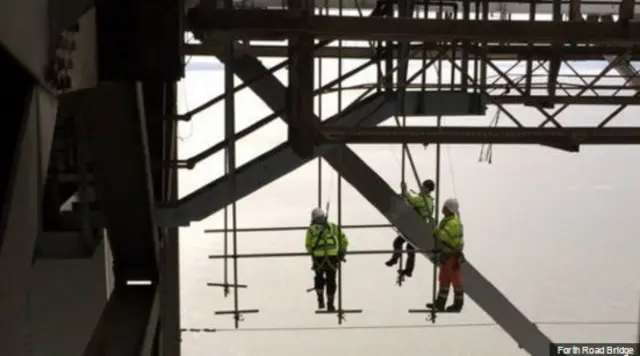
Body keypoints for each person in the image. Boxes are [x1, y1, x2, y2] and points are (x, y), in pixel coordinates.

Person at [385, 179, 436, 278]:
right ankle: (407, 269)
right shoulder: (426, 200)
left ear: (428, 189)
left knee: (399, 243)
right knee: (409, 248)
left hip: (415, 226)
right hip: (416, 226)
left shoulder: (426, 200)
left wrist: (405, 191)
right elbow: (413, 203)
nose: (422, 188)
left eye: (424, 187)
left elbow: (413, 201)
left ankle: (396, 259)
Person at [305, 207, 349, 312]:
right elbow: (344, 240)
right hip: (332, 257)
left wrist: (313, 254)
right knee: (331, 280)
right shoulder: (332, 227)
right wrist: (342, 252)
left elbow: (308, 245)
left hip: (319, 258)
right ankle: (330, 304)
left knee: (320, 278)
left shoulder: (311, 230)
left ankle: (321, 300)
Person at [426, 198, 465, 312]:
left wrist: (436, 229)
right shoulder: (448, 220)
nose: (442, 208)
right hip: (446, 256)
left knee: (456, 280)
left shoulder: (453, 223)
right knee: (444, 280)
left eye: (444, 207)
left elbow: (443, 236)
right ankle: (440, 303)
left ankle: (458, 305)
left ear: (448, 209)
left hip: (452, 257)